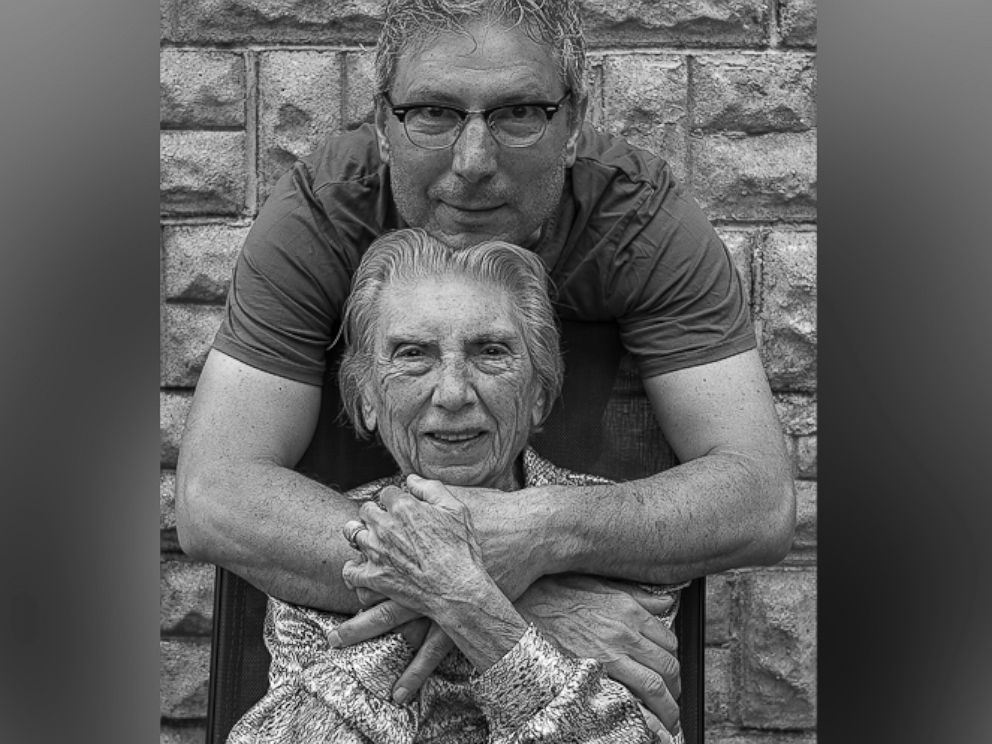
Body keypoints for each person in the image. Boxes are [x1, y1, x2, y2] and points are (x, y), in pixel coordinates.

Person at [176, 0, 795, 729]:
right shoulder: (324, 211)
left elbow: (758, 499)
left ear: (573, 124)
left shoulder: (641, 219)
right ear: (381, 119)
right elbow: (215, 496)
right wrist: (487, 595)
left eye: (518, 113)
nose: (471, 163)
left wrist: (540, 530)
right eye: (433, 113)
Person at [227, 230, 683, 743]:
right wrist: (462, 597)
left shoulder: (613, 539)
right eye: (412, 353)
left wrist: (461, 603)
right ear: (368, 399)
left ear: (539, 392)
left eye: (490, 351)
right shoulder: (331, 541)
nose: (452, 393)